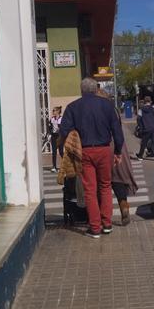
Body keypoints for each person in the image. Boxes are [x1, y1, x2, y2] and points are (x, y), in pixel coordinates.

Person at [59, 78, 124, 238]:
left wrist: (65, 151)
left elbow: (64, 131)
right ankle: (107, 224)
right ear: (96, 89)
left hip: (84, 152)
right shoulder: (107, 105)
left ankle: (94, 228)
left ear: (81, 90)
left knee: (89, 190)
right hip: (104, 150)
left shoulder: (73, 107)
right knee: (105, 186)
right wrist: (118, 151)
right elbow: (117, 130)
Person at [97, 90, 139, 225]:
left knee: (102, 183)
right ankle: (124, 206)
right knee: (118, 179)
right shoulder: (113, 110)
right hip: (118, 146)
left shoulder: (97, 111)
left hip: (102, 146)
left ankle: (103, 217)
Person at [135, 96, 154, 160]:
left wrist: (141, 127)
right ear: (150, 101)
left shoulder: (141, 110)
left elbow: (138, 119)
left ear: (144, 102)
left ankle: (140, 156)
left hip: (146, 128)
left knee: (143, 143)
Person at [48, 106, 62, 172]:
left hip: (59, 136)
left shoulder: (61, 119)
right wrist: (49, 134)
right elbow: (49, 127)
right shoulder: (52, 119)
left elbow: (62, 127)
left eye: (54, 110)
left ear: (58, 111)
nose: (53, 112)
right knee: (54, 152)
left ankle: (66, 166)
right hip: (54, 136)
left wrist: (60, 130)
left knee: (61, 152)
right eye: (53, 111)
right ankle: (54, 167)